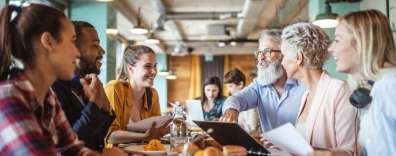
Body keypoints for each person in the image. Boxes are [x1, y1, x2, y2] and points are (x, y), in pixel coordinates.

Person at [0, 4, 96, 155]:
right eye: (72, 41)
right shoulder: (7, 99)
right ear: (48, 41)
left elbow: (74, 150)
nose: (77, 53)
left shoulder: (48, 97)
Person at [280, 22, 356, 155]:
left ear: (299, 57)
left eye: (284, 56)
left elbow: (350, 151)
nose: (282, 62)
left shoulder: (339, 90)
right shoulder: (306, 94)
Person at [329, 10, 396, 155]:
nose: (331, 48)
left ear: (361, 43)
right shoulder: (369, 87)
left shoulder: (391, 84)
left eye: (337, 40)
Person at [220, 29, 306, 133]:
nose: (261, 57)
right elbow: (237, 99)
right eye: (260, 52)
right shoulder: (259, 85)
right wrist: (231, 110)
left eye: (266, 52)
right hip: (270, 149)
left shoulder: (304, 86)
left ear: (283, 54)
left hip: (303, 148)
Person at [52, 21, 114, 152]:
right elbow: (69, 147)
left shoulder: (84, 85)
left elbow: (96, 140)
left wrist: (105, 107)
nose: (102, 51)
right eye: (95, 45)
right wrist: (94, 105)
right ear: (73, 49)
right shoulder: (54, 88)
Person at [105, 45, 171, 145]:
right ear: (131, 69)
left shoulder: (153, 94)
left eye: (155, 66)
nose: (154, 71)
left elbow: (155, 132)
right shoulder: (114, 88)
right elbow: (110, 136)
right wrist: (144, 136)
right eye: (147, 66)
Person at [224, 68, 259, 134]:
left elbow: (252, 128)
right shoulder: (234, 101)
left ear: (240, 84)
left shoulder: (250, 100)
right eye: (227, 87)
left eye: (230, 86)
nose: (228, 90)